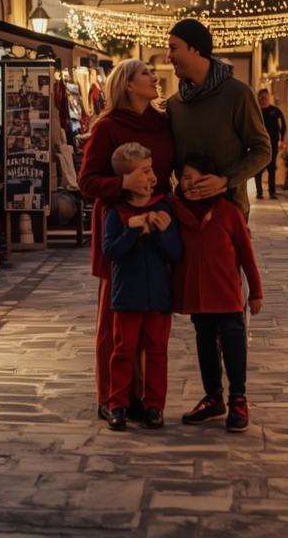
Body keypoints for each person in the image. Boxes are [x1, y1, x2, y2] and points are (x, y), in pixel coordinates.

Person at [78, 59, 175, 422]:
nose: (155, 77)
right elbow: (87, 182)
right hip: (120, 224)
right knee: (114, 316)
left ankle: (145, 399)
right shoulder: (108, 127)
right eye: (146, 73)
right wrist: (123, 184)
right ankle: (111, 397)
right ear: (129, 85)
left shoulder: (163, 124)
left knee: (152, 319)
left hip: (157, 223)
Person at [174, 154, 263, 432]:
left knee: (233, 343)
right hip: (198, 296)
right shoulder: (177, 212)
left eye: (197, 178)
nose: (190, 184)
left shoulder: (228, 213)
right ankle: (213, 397)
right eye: (185, 178)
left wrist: (256, 291)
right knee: (205, 344)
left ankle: (238, 398)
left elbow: (246, 255)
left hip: (227, 294)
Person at [100, 142, 183, 431]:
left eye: (151, 170)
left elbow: (175, 252)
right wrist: (133, 231)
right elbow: (110, 251)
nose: (152, 177)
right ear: (128, 178)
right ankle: (117, 405)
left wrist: (160, 232)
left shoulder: (164, 208)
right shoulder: (116, 213)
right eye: (145, 171)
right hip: (127, 297)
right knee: (123, 351)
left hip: (159, 297)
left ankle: (155, 405)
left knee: (157, 351)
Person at [164, 19, 273, 219]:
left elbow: (262, 150)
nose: (168, 56)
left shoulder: (237, 94)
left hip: (229, 212)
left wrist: (225, 180)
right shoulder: (174, 104)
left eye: (173, 48)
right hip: (186, 214)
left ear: (195, 49)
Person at [253, 89, 287, 200]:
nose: (264, 100)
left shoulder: (275, 111)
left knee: (272, 168)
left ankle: (272, 192)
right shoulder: (255, 111)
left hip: (272, 144)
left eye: (265, 98)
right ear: (258, 99)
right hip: (258, 144)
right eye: (261, 98)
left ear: (269, 98)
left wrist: (282, 140)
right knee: (258, 169)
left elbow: (283, 126)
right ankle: (259, 192)